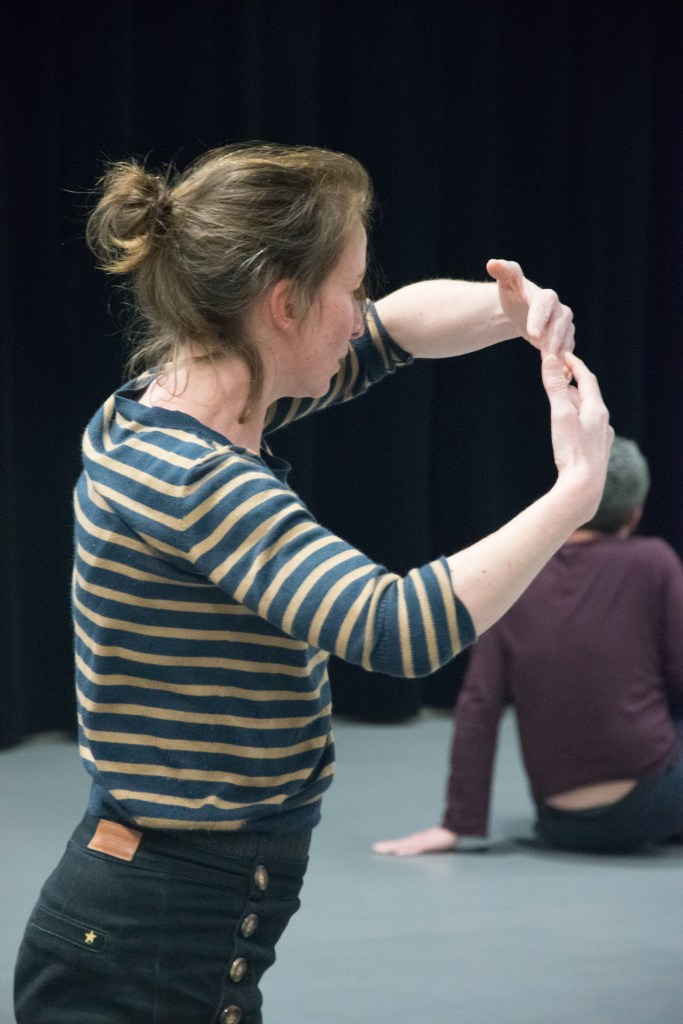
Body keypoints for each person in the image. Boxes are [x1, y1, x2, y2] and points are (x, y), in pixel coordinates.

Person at [14, 142, 612, 1024]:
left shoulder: (182, 398)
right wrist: (575, 492)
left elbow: (395, 329)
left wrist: (511, 310)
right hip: (151, 935)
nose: (360, 311)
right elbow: (394, 627)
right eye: (350, 288)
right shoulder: (196, 479)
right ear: (284, 305)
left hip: (178, 912)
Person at [373, 437, 683, 859]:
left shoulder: (515, 576)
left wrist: (457, 825)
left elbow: (479, 704)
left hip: (561, 824)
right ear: (634, 515)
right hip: (656, 804)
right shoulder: (654, 562)